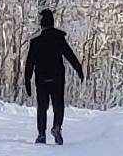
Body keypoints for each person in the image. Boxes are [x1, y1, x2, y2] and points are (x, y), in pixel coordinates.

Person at [20, 9, 86, 145]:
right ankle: (57, 127)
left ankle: (41, 134)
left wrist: (27, 79)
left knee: (42, 106)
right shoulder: (59, 40)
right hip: (57, 78)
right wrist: (79, 69)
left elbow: (30, 63)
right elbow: (70, 56)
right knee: (58, 104)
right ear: (53, 23)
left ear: (42, 25)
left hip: (42, 79)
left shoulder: (36, 42)